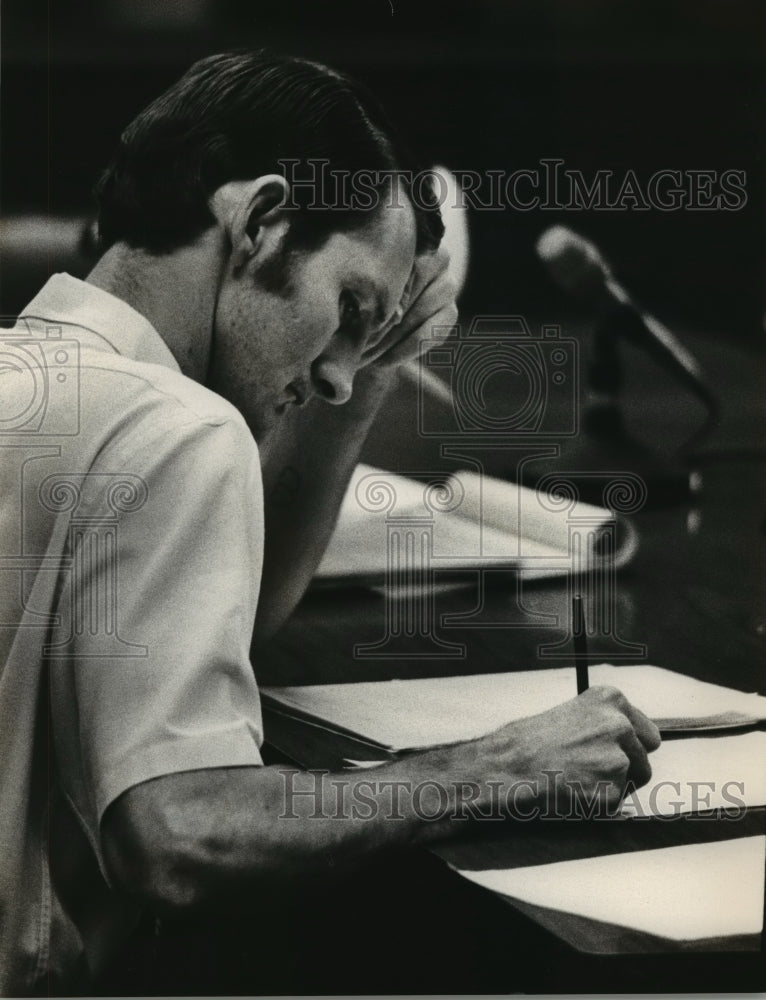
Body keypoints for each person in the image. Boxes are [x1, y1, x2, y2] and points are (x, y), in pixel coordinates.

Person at [0, 50, 660, 995]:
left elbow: (207, 623)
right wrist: (499, 765)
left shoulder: (41, 382)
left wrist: (376, 360)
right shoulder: (180, 426)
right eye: (349, 308)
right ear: (262, 220)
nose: (341, 375)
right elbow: (177, 835)